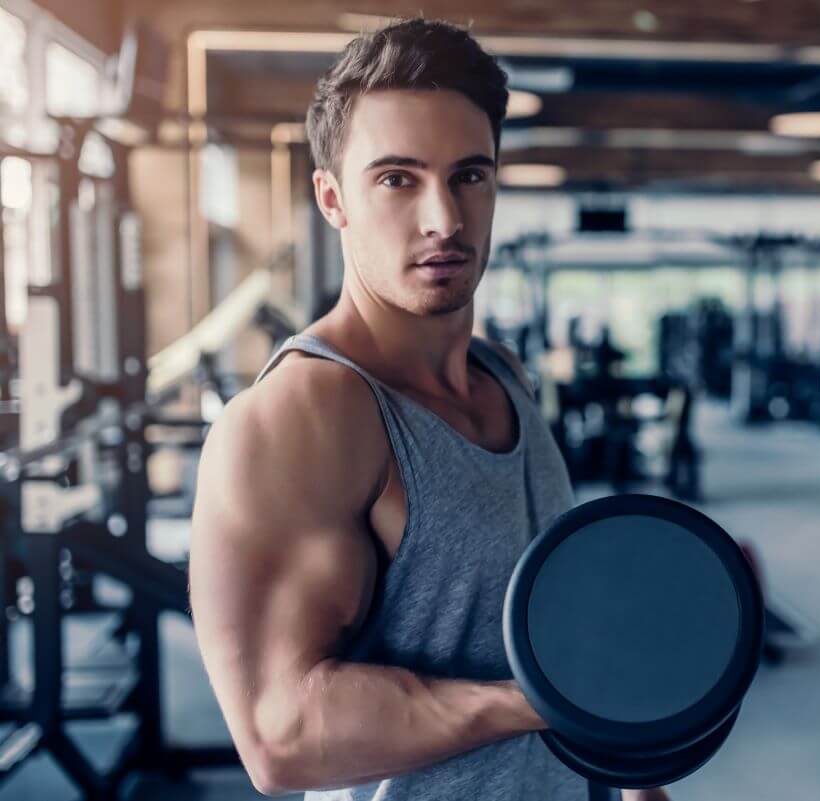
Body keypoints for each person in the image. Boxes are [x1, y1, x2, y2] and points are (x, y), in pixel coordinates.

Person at [188, 19, 671, 801]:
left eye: (469, 176)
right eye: (397, 179)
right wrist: (540, 702)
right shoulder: (303, 416)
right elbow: (278, 734)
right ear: (332, 197)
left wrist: (632, 775)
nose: (443, 218)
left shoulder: (503, 375)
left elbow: (552, 619)